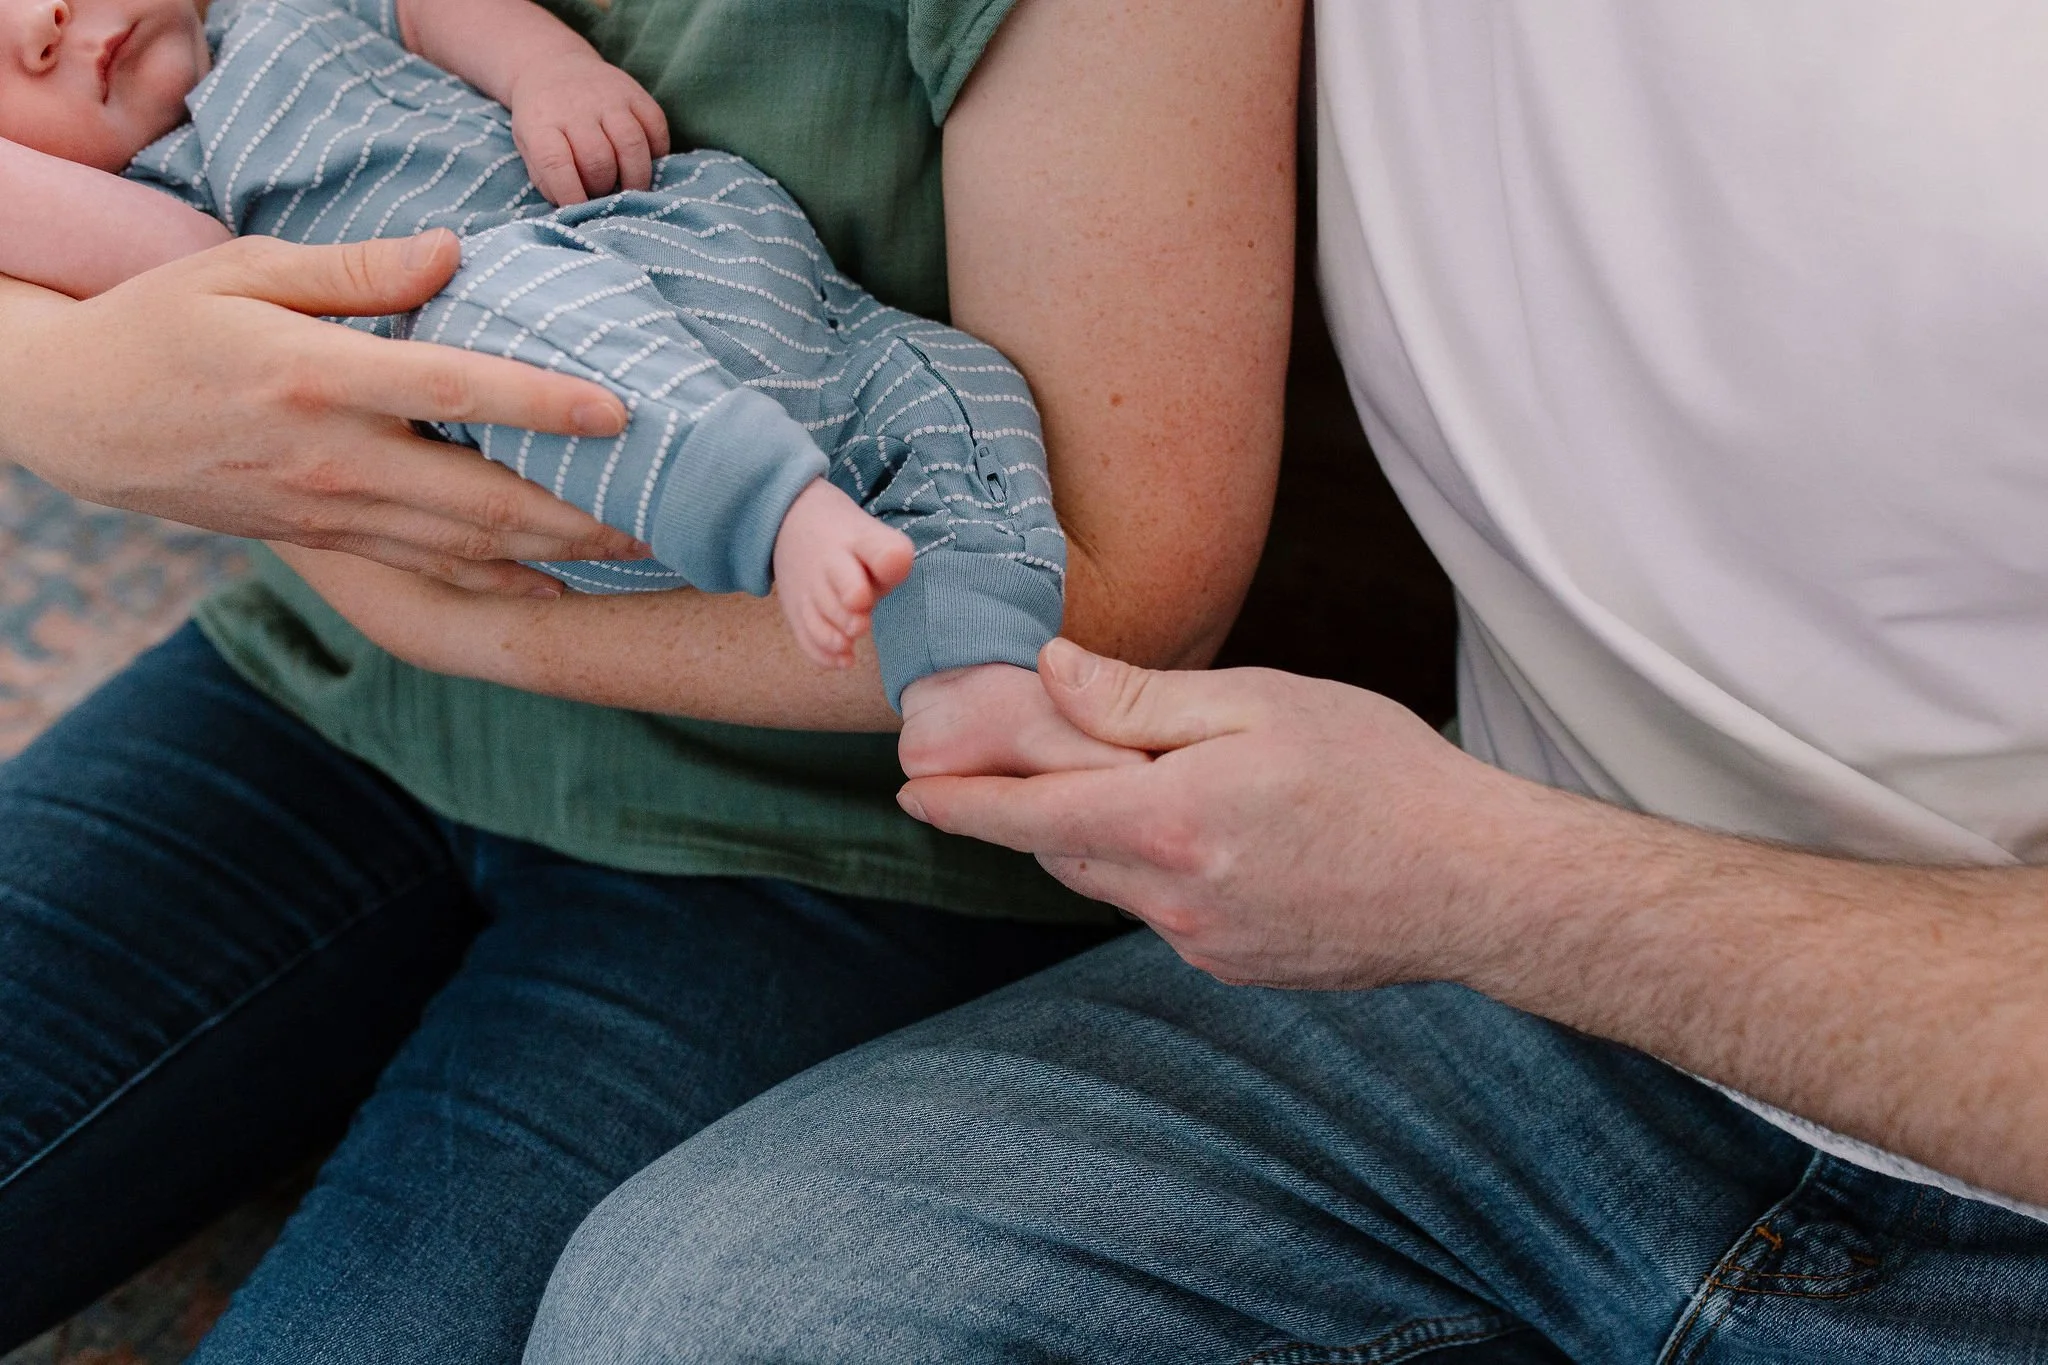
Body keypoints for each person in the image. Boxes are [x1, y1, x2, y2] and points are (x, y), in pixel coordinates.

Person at [520, 3, 2048, 1359]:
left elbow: (1125, 575)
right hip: (1519, 1001)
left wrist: (1476, 878)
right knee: (708, 1313)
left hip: (1936, 1120)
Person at [0, 1, 1299, 1361]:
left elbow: (1127, 588)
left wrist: (436, 610)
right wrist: (50, 384)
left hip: (811, 832)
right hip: (336, 698)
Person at [0, 0, 1085, 701]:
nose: (41, 21)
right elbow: (186, 263)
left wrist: (549, 72)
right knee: (483, 297)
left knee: (936, 380)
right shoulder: (150, 193)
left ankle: (971, 668)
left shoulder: (275, 9)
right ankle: (779, 510)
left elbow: (431, 10)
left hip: (691, 248)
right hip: (549, 419)